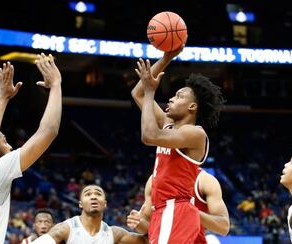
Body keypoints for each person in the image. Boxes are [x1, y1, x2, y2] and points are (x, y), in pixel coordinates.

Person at [132, 48, 225, 243]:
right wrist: (167, 57)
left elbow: (149, 136)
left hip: (176, 209)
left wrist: (151, 92)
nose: (172, 99)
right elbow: (138, 94)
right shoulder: (169, 125)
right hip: (162, 211)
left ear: (192, 107)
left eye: (180, 96)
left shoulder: (195, 133)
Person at [0, 53, 62, 244]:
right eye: (5, 142)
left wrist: (3, 98)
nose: (9, 145)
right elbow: (48, 131)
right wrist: (56, 85)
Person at [127, 168, 230, 243]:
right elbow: (147, 228)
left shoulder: (205, 180)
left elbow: (223, 227)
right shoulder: (153, 180)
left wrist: (192, 212)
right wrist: (138, 222)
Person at [32, 185, 147, 244]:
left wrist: (141, 225)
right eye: (88, 194)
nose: (93, 196)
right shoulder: (65, 229)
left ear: (105, 203)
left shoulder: (115, 233)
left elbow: (150, 241)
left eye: (98, 194)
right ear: (80, 204)